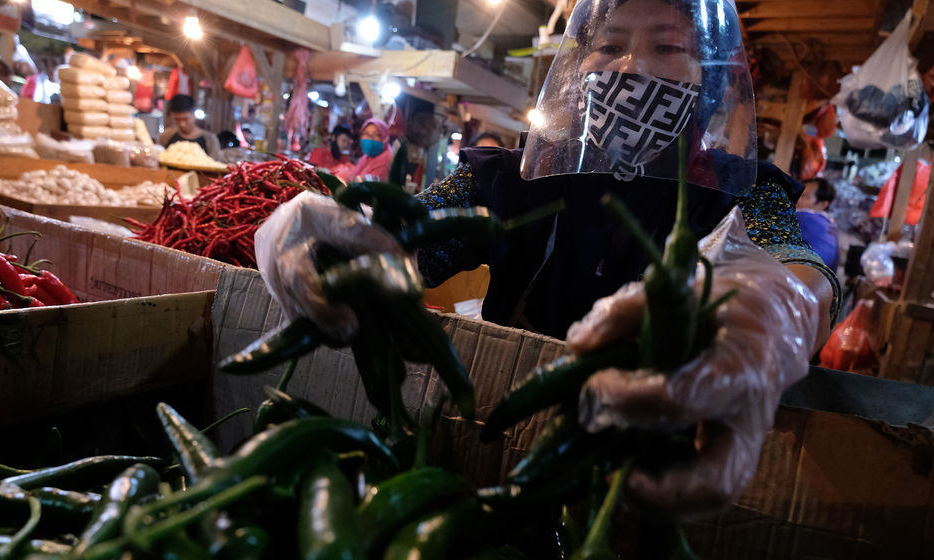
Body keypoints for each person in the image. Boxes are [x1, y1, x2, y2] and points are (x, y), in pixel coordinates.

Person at [255, 0, 837, 519]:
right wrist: (337, 235)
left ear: (708, 80)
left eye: (667, 46)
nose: (629, 68)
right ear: (578, 68)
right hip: (500, 432)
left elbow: (798, 264)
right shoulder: (517, 177)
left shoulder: (736, 192)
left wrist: (785, 305)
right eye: (609, 46)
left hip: (643, 456)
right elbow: (410, 236)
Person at [158, 94, 223, 161]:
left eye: (185, 119)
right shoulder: (165, 136)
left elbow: (215, 165)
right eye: (177, 119)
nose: (182, 124)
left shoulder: (210, 139)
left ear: (194, 115)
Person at [796, 177, 839, 271]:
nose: (797, 199)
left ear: (823, 204)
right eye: (798, 194)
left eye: (804, 196)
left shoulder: (805, 217)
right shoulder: (831, 225)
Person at [341, 118, 393, 182]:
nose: (370, 138)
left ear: (385, 138)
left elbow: (368, 184)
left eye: (376, 134)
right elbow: (352, 176)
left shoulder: (387, 159)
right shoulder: (367, 156)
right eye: (366, 133)